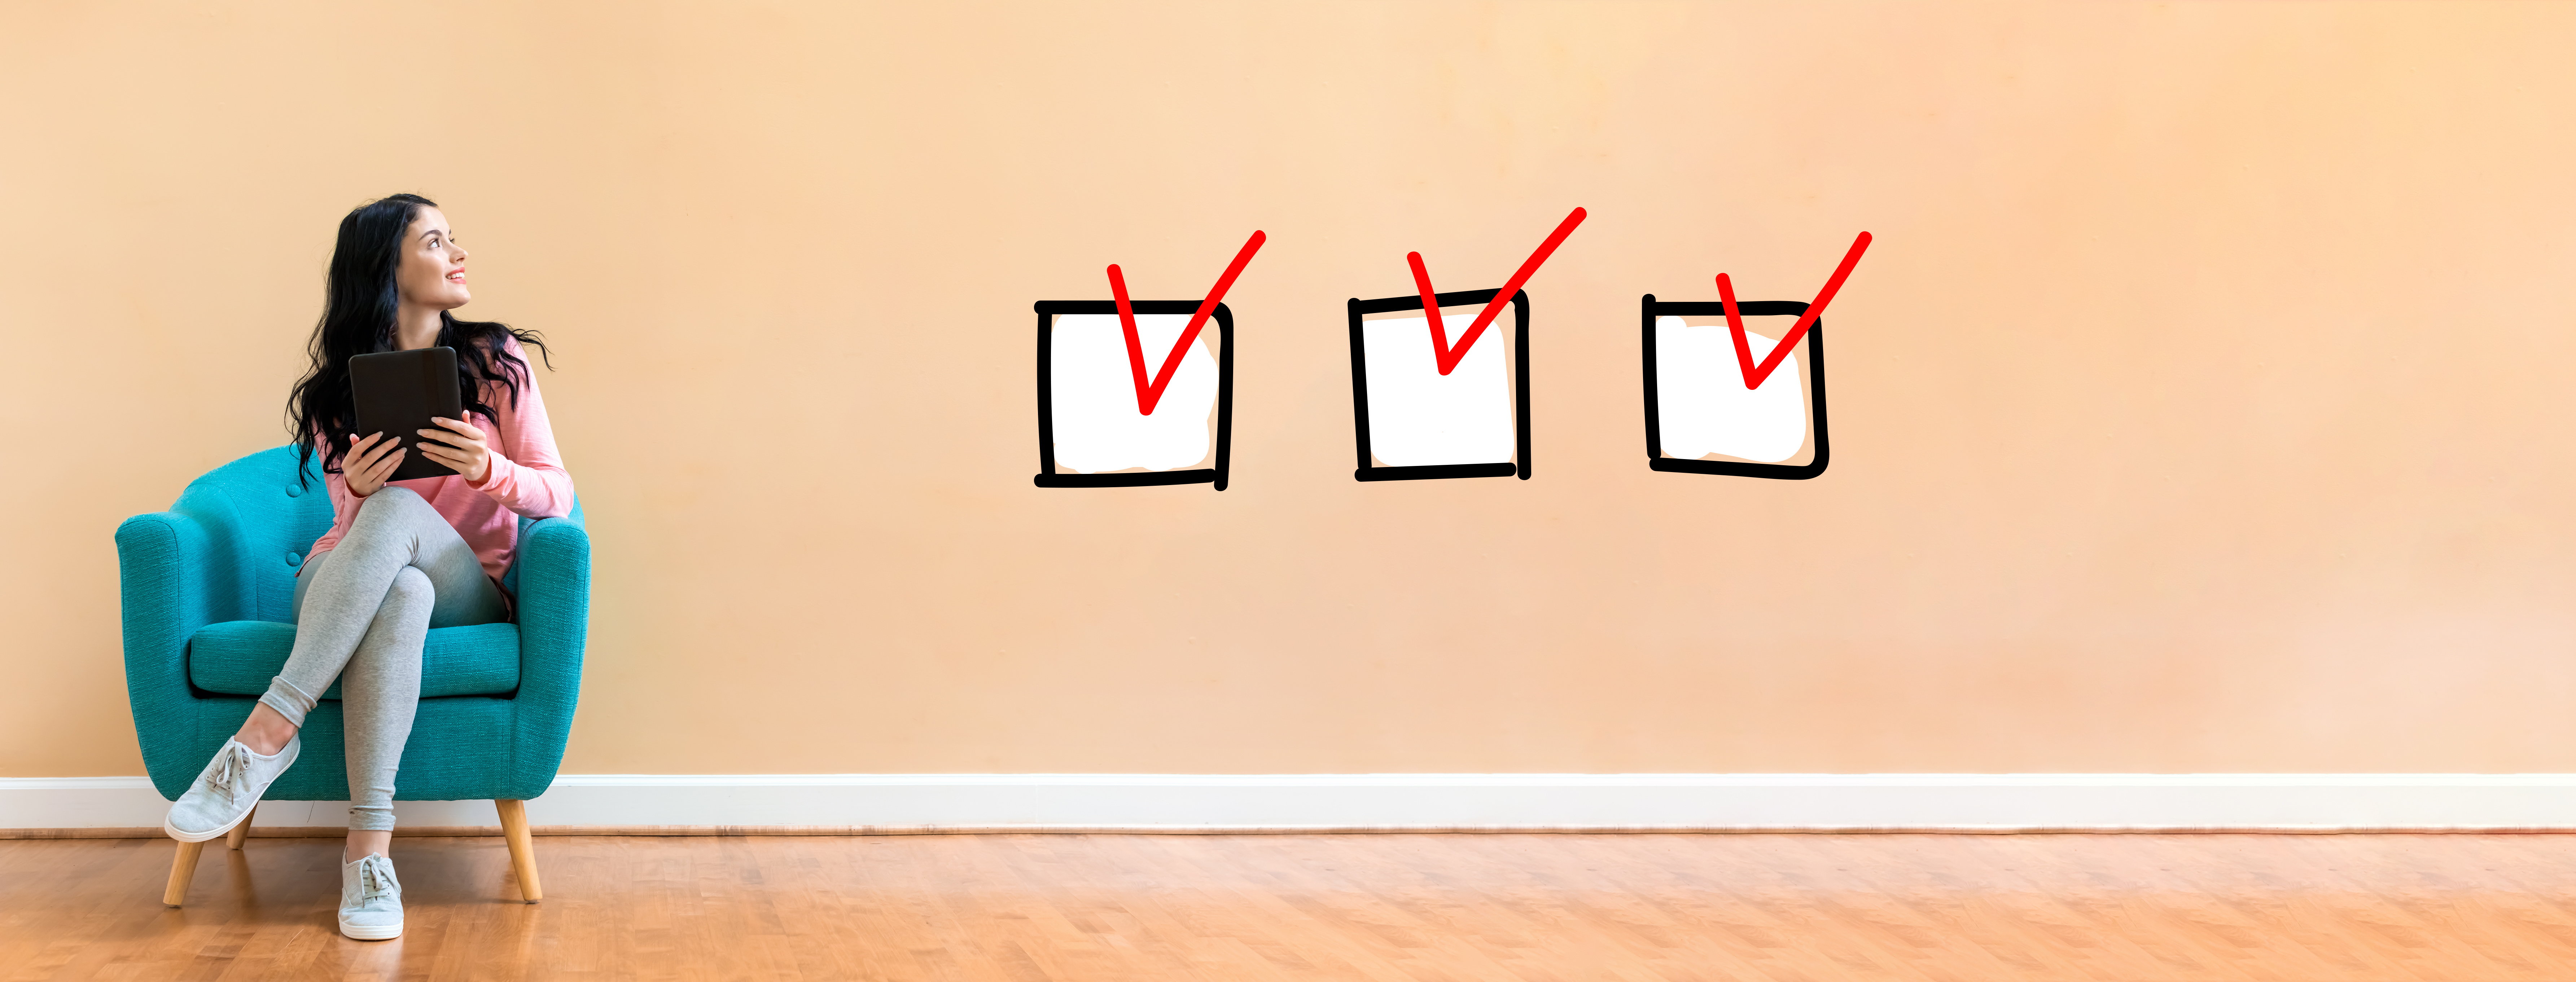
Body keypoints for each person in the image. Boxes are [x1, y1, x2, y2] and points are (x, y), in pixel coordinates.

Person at [159, 193, 574, 941]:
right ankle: (369, 857)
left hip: (469, 586)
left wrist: (489, 470)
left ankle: (264, 736)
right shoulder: (338, 391)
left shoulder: (498, 361)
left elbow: (558, 491)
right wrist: (356, 488)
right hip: (349, 575)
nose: (459, 254)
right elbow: (349, 534)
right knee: (400, 587)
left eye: (456, 240)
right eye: (438, 242)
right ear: (390, 265)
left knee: (404, 533)